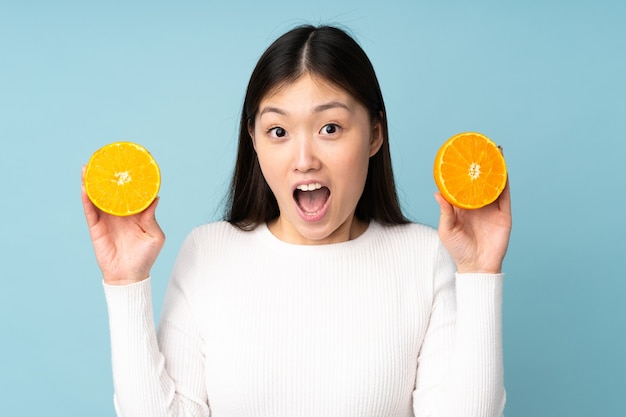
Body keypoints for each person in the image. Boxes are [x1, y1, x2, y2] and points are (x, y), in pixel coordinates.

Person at [82, 25, 511, 417]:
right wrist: (126, 284)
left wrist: (479, 274)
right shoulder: (207, 252)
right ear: (253, 139)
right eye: (279, 132)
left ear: (375, 134)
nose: (304, 160)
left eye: (330, 128)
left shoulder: (421, 254)